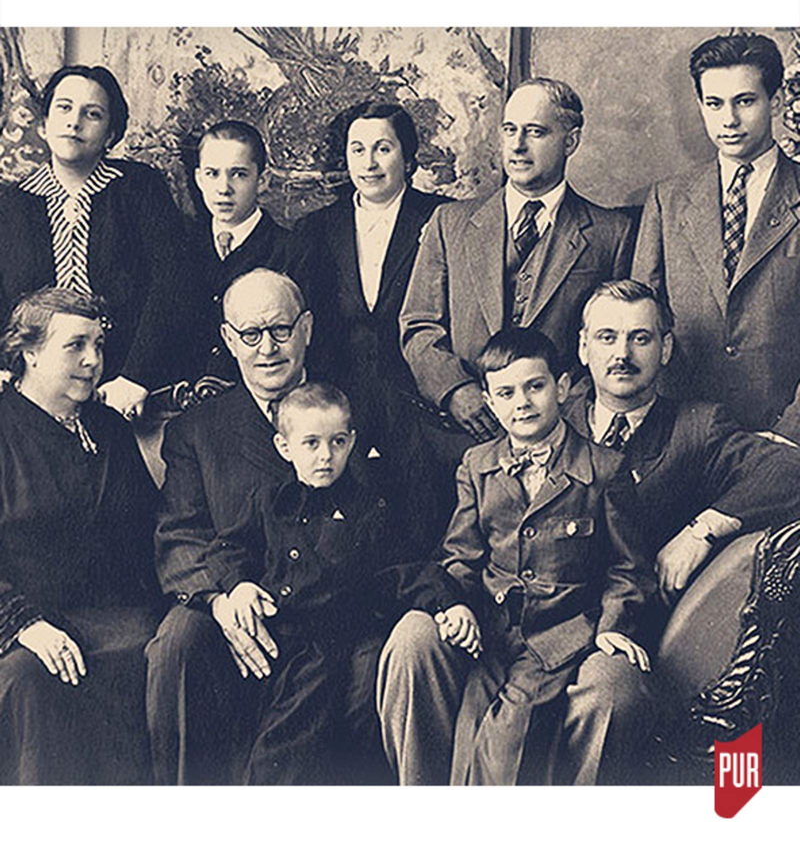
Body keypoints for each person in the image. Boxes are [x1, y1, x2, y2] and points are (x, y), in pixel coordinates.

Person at [377, 326, 656, 786]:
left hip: (559, 635)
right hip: (492, 629)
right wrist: (454, 606)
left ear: (562, 388)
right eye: (506, 393)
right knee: (467, 712)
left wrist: (613, 626)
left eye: (535, 386)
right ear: (488, 401)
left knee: (506, 741)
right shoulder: (477, 465)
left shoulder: (606, 469)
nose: (522, 403)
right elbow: (462, 556)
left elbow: (628, 569)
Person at [399, 77, 635, 456]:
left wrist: (562, 407)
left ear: (570, 141)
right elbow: (419, 325)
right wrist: (456, 390)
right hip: (460, 437)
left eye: (536, 132)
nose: (518, 145)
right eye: (510, 130)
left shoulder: (612, 233)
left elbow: (613, 342)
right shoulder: (450, 223)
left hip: (564, 440)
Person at [145, 267, 314, 783]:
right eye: (250, 334)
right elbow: (179, 531)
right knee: (178, 642)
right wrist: (223, 600)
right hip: (229, 596)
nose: (268, 348)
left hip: (325, 601)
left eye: (280, 330)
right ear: (228, 339)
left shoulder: (352, 404)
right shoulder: (197, 429)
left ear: (306, 328)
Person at [203, 381, 404, 784]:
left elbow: (399, 574)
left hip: (328, 642)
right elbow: (227, 547)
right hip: (275, 636)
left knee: (292, 736)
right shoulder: (268, 501)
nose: (325, 456)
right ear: (284, 447)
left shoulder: (368, 508)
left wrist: (447, 603)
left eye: (337, 442)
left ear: (352, 442)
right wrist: (239, 586)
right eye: (311, 443)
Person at [0, 288, 161, 784]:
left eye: (99, 345)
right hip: (28, 623)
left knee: (167, 651)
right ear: (29, 352)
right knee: (29, 676)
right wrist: (23, 624)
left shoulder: (109, 428)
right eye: (75, 345)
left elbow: (151, 530)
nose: (93, 360)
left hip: (119, 617)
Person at [562, 279, 800, 606]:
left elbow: (790, 469)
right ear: (583, 347)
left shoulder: (698, 427)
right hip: (552, 623)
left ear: (666, 349)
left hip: (646, 622)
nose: (622, 354)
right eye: (607, 337)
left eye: (640, 338)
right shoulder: (552, 422)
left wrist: (701, 530)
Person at [295, 100, 448, 554]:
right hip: (342, 395)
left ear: (408, 157)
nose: (369, 162)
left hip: (418, 398)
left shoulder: (443, 218)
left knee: (421, 519)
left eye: (383, 148)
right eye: (357, 149)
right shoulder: (316, 228)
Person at [632, 32, 800, 434]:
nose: (729, 120)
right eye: (714, 103)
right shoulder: (667, 199)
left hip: (780, 432)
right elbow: (641, 319)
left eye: (745, 101)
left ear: (776, 101)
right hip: (680, 428)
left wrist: (790, 434)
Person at [0, 64, 190, 417]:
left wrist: (136, 377)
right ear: (44, 124)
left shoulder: (139, 188)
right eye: (64, 108)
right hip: (32, 387)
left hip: (120, 385)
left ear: (111, 133)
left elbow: (172, 283)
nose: (74, 122)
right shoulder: (10, 204)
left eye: (93, 114)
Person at [186, 120, 297, 382]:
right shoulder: (180, 244)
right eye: (212, 173)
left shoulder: (291, 250)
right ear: (199, 178)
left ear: (262, 180)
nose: (224, 188)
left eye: (239, 174)